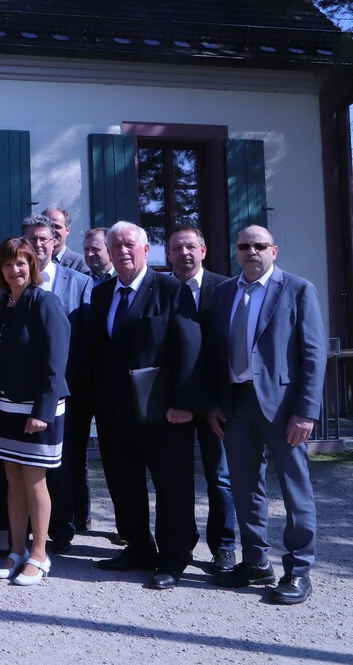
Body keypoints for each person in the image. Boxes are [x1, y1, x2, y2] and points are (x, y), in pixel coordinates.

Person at [207, 225, 325, 605]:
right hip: (236, 404)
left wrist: (306, 412)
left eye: (259, 246)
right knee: (244, 487)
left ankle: (298, 570)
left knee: (295, 489)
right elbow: (214, 353)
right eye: (244, 246)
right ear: (235, 252)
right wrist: (213, 404)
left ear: (273, 251)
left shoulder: (297, 289)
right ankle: (256, 561)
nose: (251, 251)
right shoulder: (225, 291)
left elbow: (312, 354)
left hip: (283, 408)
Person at [89, 222, 201, 590]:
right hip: (115, 413)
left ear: (145, 249)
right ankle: (137, 547)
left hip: (164, 412)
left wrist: (185, 403)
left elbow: (189, 349)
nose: (122, 251)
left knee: (172, 486)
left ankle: (173, 557)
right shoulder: (102, 293)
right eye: (115, 245)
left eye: (129, 245)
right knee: (123, 483)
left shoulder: (170, 288)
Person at [0, 238, 70, 585]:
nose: (14, 270)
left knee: (35, 481)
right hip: (4, 405)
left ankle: (39, 554)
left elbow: (56, 361)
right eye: (7, 264)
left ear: (32, 266)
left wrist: (43, 411)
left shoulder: (45, 302)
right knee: (12, 479)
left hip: (36, 407)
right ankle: (17, 549)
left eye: (21, 263)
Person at [166, 225, 237, 574]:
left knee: (220, 478)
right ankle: (181, 546)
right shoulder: (161, 289)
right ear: (168, 254)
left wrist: (210, 403)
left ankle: (223, 546)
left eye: (190, 247)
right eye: (176, 248)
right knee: (177, 479)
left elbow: (225, 352)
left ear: (204, 250)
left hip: (217, 406)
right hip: (176, 405)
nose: (184, 254)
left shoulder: (225, 289)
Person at [20, 215, 93, 555]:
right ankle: (26, 527)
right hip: (22, 392)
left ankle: (62, 525)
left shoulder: (79, 283)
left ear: (54, 242)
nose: (38, 244)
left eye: (43, 239)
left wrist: (65, 380)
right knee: (27, 463)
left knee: (64, 460)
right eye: (31, 239)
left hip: (68, 388)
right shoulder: (15, 283)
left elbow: (86, 337)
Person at [43, 207, 88, 273]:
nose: (52, 231)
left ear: (67, 230)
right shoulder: (31, 262)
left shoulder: (80, 263)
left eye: (56, 227)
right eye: (47, 226)